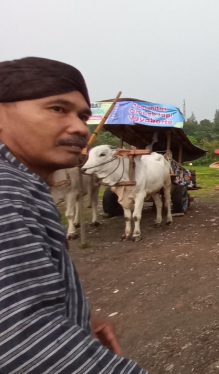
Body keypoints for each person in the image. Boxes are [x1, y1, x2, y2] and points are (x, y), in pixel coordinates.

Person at [0, 57, 147, 373]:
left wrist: (77, 318)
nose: (81, 127)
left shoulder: (22, 183)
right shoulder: (6, 190)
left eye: (83, 116)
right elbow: (25, 343)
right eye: (57, 109)